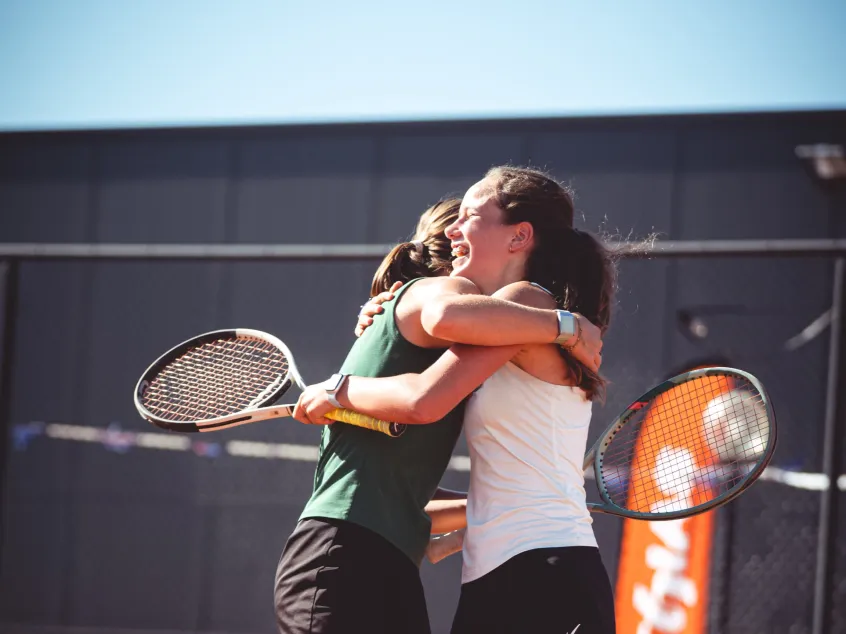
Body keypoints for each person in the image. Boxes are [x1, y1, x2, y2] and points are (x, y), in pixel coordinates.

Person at [295, 166, 617, 634]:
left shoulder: (528, 300)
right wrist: (387, 313)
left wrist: (337, 390)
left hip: (541, 569)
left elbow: (437, 343)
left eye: (469, 215)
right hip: (505, 572)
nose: (452, 229)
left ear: (519, 236)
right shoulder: (514, 320)